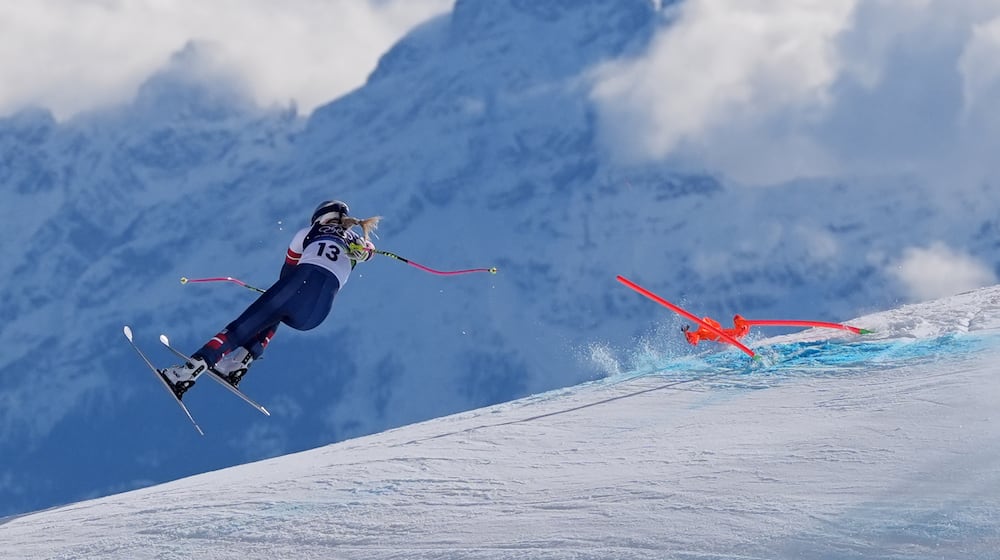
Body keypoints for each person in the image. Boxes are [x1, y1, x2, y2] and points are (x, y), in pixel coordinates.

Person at [161, 200, 380, 397]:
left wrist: (278, 293)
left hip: (297, 285)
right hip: (316, 315)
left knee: (242, 328)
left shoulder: (309, 232)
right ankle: (238, 364)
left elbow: (287, 272)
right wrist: (366, 251)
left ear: (320, 216)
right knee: (278, 314)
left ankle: (184, 374)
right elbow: (370, 251)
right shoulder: (357, 243)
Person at [681, 314, 750, 346]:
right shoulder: (699, 334)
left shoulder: (700, 331)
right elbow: (691, 341)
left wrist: (685, 332)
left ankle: (743, 326)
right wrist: (685, 332)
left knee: (737, 318)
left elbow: (691, 339)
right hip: (721, 337)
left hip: (721, 333)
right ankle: (743, 328)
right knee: (736, 333)